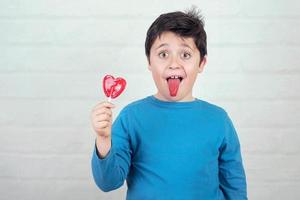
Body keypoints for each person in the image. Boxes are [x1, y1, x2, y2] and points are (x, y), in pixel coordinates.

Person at [90, 7, 247, 200]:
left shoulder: (218, 119)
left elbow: (234, 184)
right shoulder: (131, 117)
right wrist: (104, 140)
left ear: (202, 64)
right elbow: (108, 182)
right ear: (149, 61)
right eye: (164, 54)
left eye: (185, 55)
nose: (174, 64)